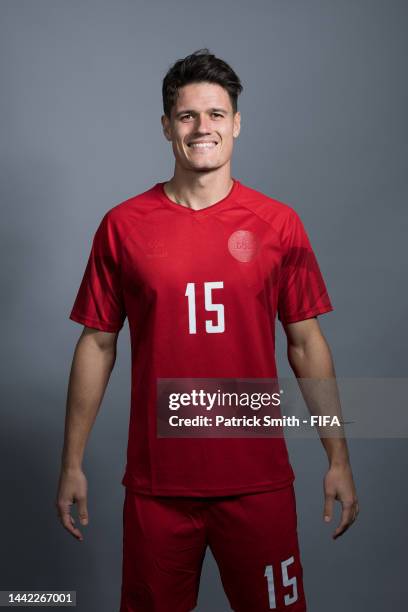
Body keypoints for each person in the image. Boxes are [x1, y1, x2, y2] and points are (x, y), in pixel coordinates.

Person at [56, 48, 359, 612]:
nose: (203, 128)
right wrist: (71, 462)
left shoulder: (278, 224)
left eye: (216, 114)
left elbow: (305, 344)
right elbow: (98, 342)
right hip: (157, 488)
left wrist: (337, 457)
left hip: (258, 483)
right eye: (188, 115)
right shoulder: (122, 226)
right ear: (168, 126)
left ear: (237, 123)